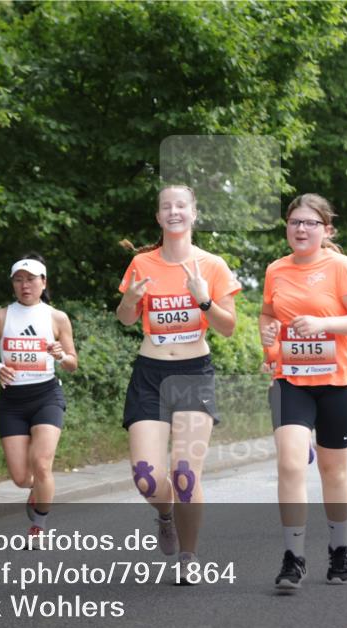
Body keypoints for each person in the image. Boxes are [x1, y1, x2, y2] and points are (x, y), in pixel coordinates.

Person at [116, 184, 241, 576]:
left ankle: (189, 557)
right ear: (158, 216)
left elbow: (228, 328)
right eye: (166, 206)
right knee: (146, 479)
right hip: (150, 373)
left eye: (181, 205)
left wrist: (204, 299)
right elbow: (126, 318)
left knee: (185, 474)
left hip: (192, 373)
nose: (173, 212)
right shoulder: (141, 264)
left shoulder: (213, 265)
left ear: (193, 213)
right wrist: (129, 300)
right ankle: (165, 514)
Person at [260, 193, 347, 588]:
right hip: (291, 380)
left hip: (338, 382)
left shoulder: (340, 266)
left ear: (327, 230)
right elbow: (268, 315)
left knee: (332, 470)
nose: (301, 229)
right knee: (291, 463)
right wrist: (269, 337)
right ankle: (294, 557)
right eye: (295, 222)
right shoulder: (276, 269)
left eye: (310, 223)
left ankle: (339, 547)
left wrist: (324, 325)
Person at [0, 254, 78, 540]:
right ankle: (36, 489)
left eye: (31, 279)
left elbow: (73, 364)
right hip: (12, 402)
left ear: (43, 282)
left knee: (43, 464)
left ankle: (39, 526)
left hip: (46, 395)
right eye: (18, 280)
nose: (25, 285)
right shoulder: (1, 316)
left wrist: (61, 356)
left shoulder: (57, 317)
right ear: (12, 285)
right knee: (23, 478)